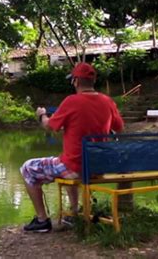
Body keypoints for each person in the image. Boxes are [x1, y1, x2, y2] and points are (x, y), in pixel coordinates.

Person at [20, 62, 124, 232]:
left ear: (75, 81)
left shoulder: (71, 101)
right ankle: (73, 213)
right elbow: (119, 127)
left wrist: (42, 115)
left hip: (76, 167)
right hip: (98, 166)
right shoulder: (108, 101)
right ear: (94, 80)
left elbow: (49, 126)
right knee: (66, 162)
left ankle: (42, 220)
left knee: (27, 168)